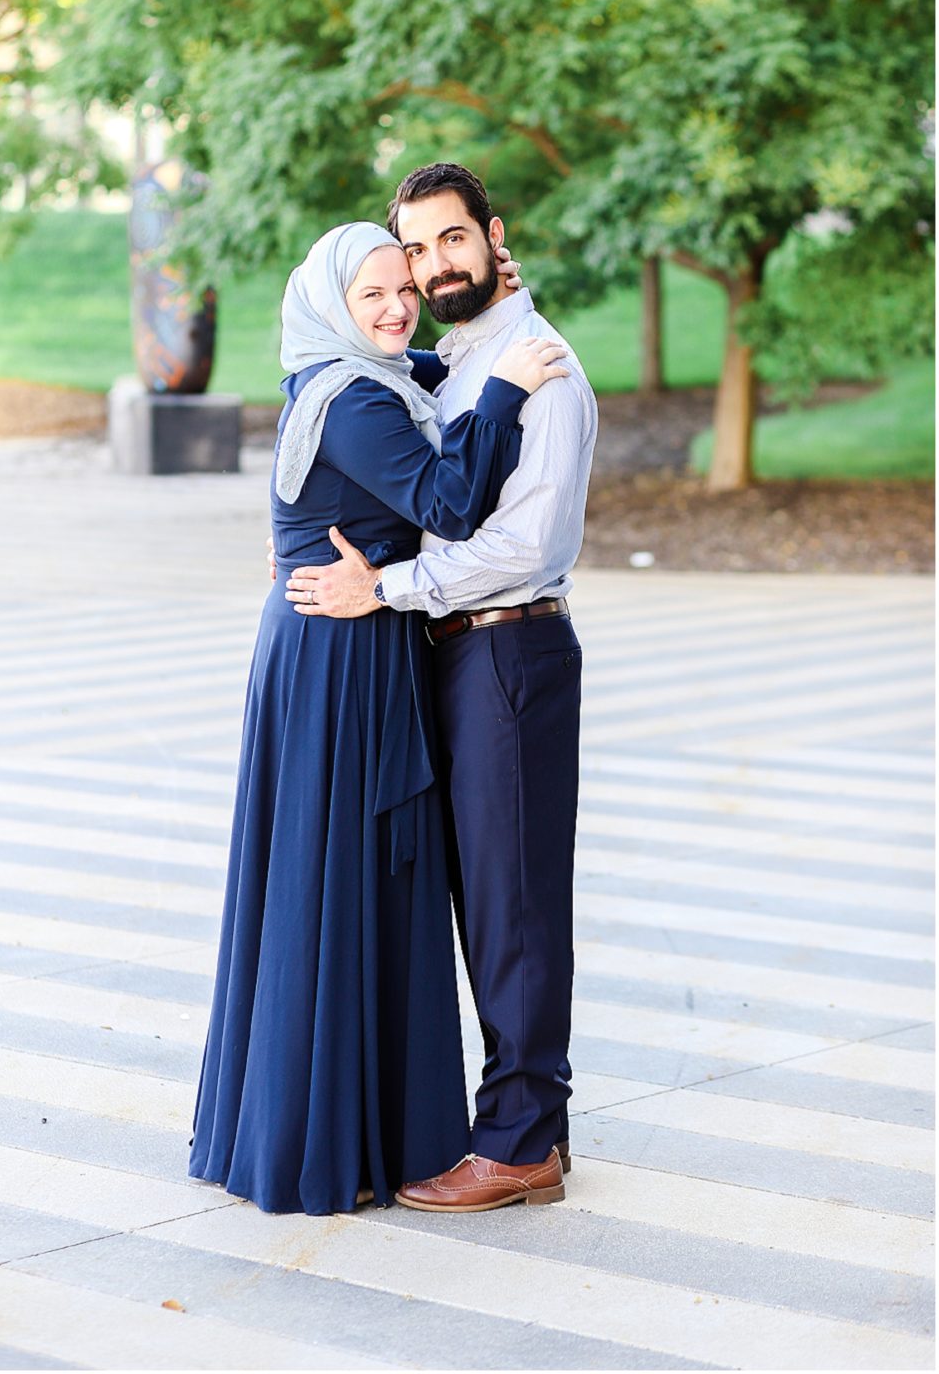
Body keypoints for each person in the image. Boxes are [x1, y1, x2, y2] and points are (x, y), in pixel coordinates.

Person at [188, 219, 569, 1216]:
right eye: (374, 297)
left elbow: (434, 362)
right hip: (337, 655)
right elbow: (445, 502)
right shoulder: (354, 396)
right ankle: (325, 1141)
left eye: (406, 287)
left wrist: (488, 314)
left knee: (357, 883)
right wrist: (504, 386)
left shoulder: (375, 375)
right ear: (330, 310)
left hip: (355, 640)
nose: (399, 308)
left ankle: (374, 1128)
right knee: (335, 882)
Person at [285, 166, 599, 1213]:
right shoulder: (458, 359)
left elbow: (526, 541)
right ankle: (527, 1119)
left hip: (509, 646)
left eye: (451, 241)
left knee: (513, 906)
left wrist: (389, 585)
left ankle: (518, 1144)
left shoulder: (538, 366)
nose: (430, 268)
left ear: (491, 236)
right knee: (487, 901)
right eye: (414, 252)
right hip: (457, 653)